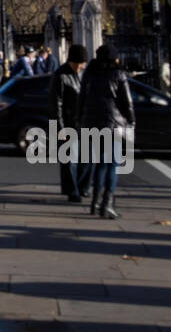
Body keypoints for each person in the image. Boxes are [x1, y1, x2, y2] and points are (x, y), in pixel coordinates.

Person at [77, 44, 134, 218]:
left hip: (91, 123)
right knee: (112, 164)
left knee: (100, 164)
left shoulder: (89, 74)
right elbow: (127, 103)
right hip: (112, 124)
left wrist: (80, 120)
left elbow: (81, 99)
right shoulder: (118, 75)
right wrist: (131, 120)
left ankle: (95, 201)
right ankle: (107, 204)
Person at [49, 44, 89, 202]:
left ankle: (82, 187)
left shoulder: (83, 74)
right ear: (70, 61)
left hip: (83, 122)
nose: (79, 67)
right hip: (67, 122)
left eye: (82, 64)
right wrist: (60, 128)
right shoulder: (60, 76)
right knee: (69, 160)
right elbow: (55, 104)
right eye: (77, 63)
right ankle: (72, 190)